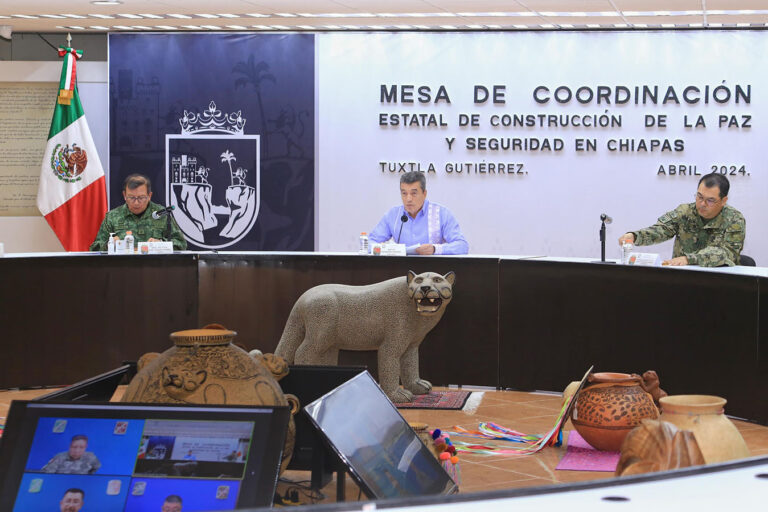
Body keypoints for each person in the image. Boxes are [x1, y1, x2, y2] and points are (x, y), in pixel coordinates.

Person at [618, 173, 745, 267]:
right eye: (699, 197)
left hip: (718, 281)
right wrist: (635, 236)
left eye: (710, 200)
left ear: (723, 201)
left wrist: (689, 259)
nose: (702, 204)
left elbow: (727, 253)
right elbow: (661, 230)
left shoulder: (734, 219)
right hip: (681, 278)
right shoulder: (685, 211)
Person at [369, 172, 468, 255]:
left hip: (432, 269)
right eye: (404, 193)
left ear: (424, 194)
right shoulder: (393, 215)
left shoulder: (441, 214)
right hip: (400, 269)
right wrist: (387, 249)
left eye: (414, 193)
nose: (408, 199)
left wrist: (435, 249)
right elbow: (370, 242)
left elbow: (462, 246)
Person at [89, 174, 187, 251]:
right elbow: (94, 248)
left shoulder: (161, 214)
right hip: (121, 267)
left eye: (141, 198)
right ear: (124, 195)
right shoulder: (113, 216)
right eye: (131, 197)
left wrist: (160, 244)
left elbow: (181, 244)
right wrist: (109, 244)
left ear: (149, 196)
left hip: (155, 267)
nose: (136, 203)